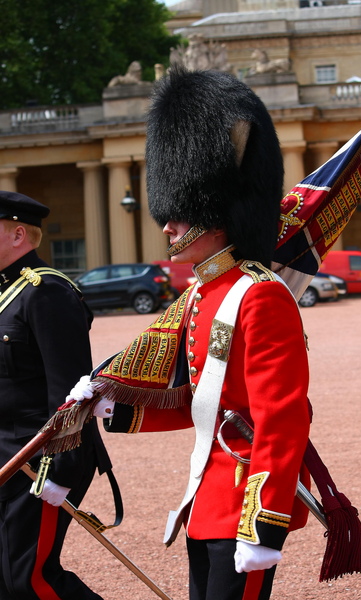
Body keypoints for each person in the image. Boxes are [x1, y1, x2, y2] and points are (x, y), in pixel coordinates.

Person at [68, 67, 311, 600]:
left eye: (179, 214)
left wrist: (265, 521)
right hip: (207, 494)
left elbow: (282, 414)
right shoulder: (204, 293)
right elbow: (205, 402)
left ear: (216, 213)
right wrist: (116, 403)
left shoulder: (259, 294)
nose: (167, 226)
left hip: (245, 499)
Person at [0, 190, 112, 600]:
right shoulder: (6, 293)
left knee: (29, 579)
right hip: (6, 456)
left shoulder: (46, 292)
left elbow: (71, 393)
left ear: (17, 234)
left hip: (37, 459)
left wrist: (58, 470)